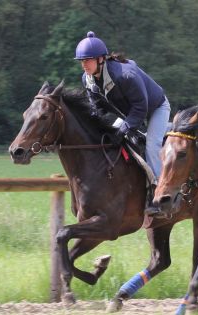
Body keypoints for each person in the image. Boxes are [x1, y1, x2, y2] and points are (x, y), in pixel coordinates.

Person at [74, 31, 171, 214]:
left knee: (151, 144)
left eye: (88, 60)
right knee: (111, 140)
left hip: (156, 107)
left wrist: (124, 128)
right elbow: (97, 110)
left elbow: (140, 108)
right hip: (129, 113)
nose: (84, 64)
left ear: (101, 59)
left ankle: (159, 196)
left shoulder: (125, 75)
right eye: (82, 61)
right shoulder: (87, 79)